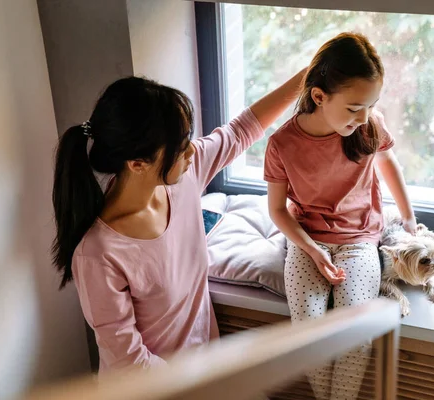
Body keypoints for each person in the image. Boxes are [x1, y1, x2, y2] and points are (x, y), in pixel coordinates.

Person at [51, 70, 305, 374]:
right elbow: (130, 364)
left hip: (204, 376)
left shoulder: (183, 178)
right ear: (137, 164)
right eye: (179, 145)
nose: (190, 150)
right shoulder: (99, 254)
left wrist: (305, 77)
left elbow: (241, 131)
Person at [264, 33, 415, 400]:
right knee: (309, 332)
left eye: (370, 105)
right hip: (306, 238)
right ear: (319, 96)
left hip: (360, 239)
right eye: (353, 108)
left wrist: (410, 220)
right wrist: (312, 250)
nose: (364, 117)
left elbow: (388, 162)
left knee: (353, 334)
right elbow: (277, 210)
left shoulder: (369, 125)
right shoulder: (282, 144)